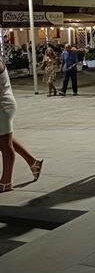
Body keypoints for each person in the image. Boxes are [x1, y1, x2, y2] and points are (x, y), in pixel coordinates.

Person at [0, 60, 43, 193]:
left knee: (5, 145)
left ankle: (6, 182)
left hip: (2, 106)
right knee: (4, 140)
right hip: (3, 104)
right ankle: (33, 162)